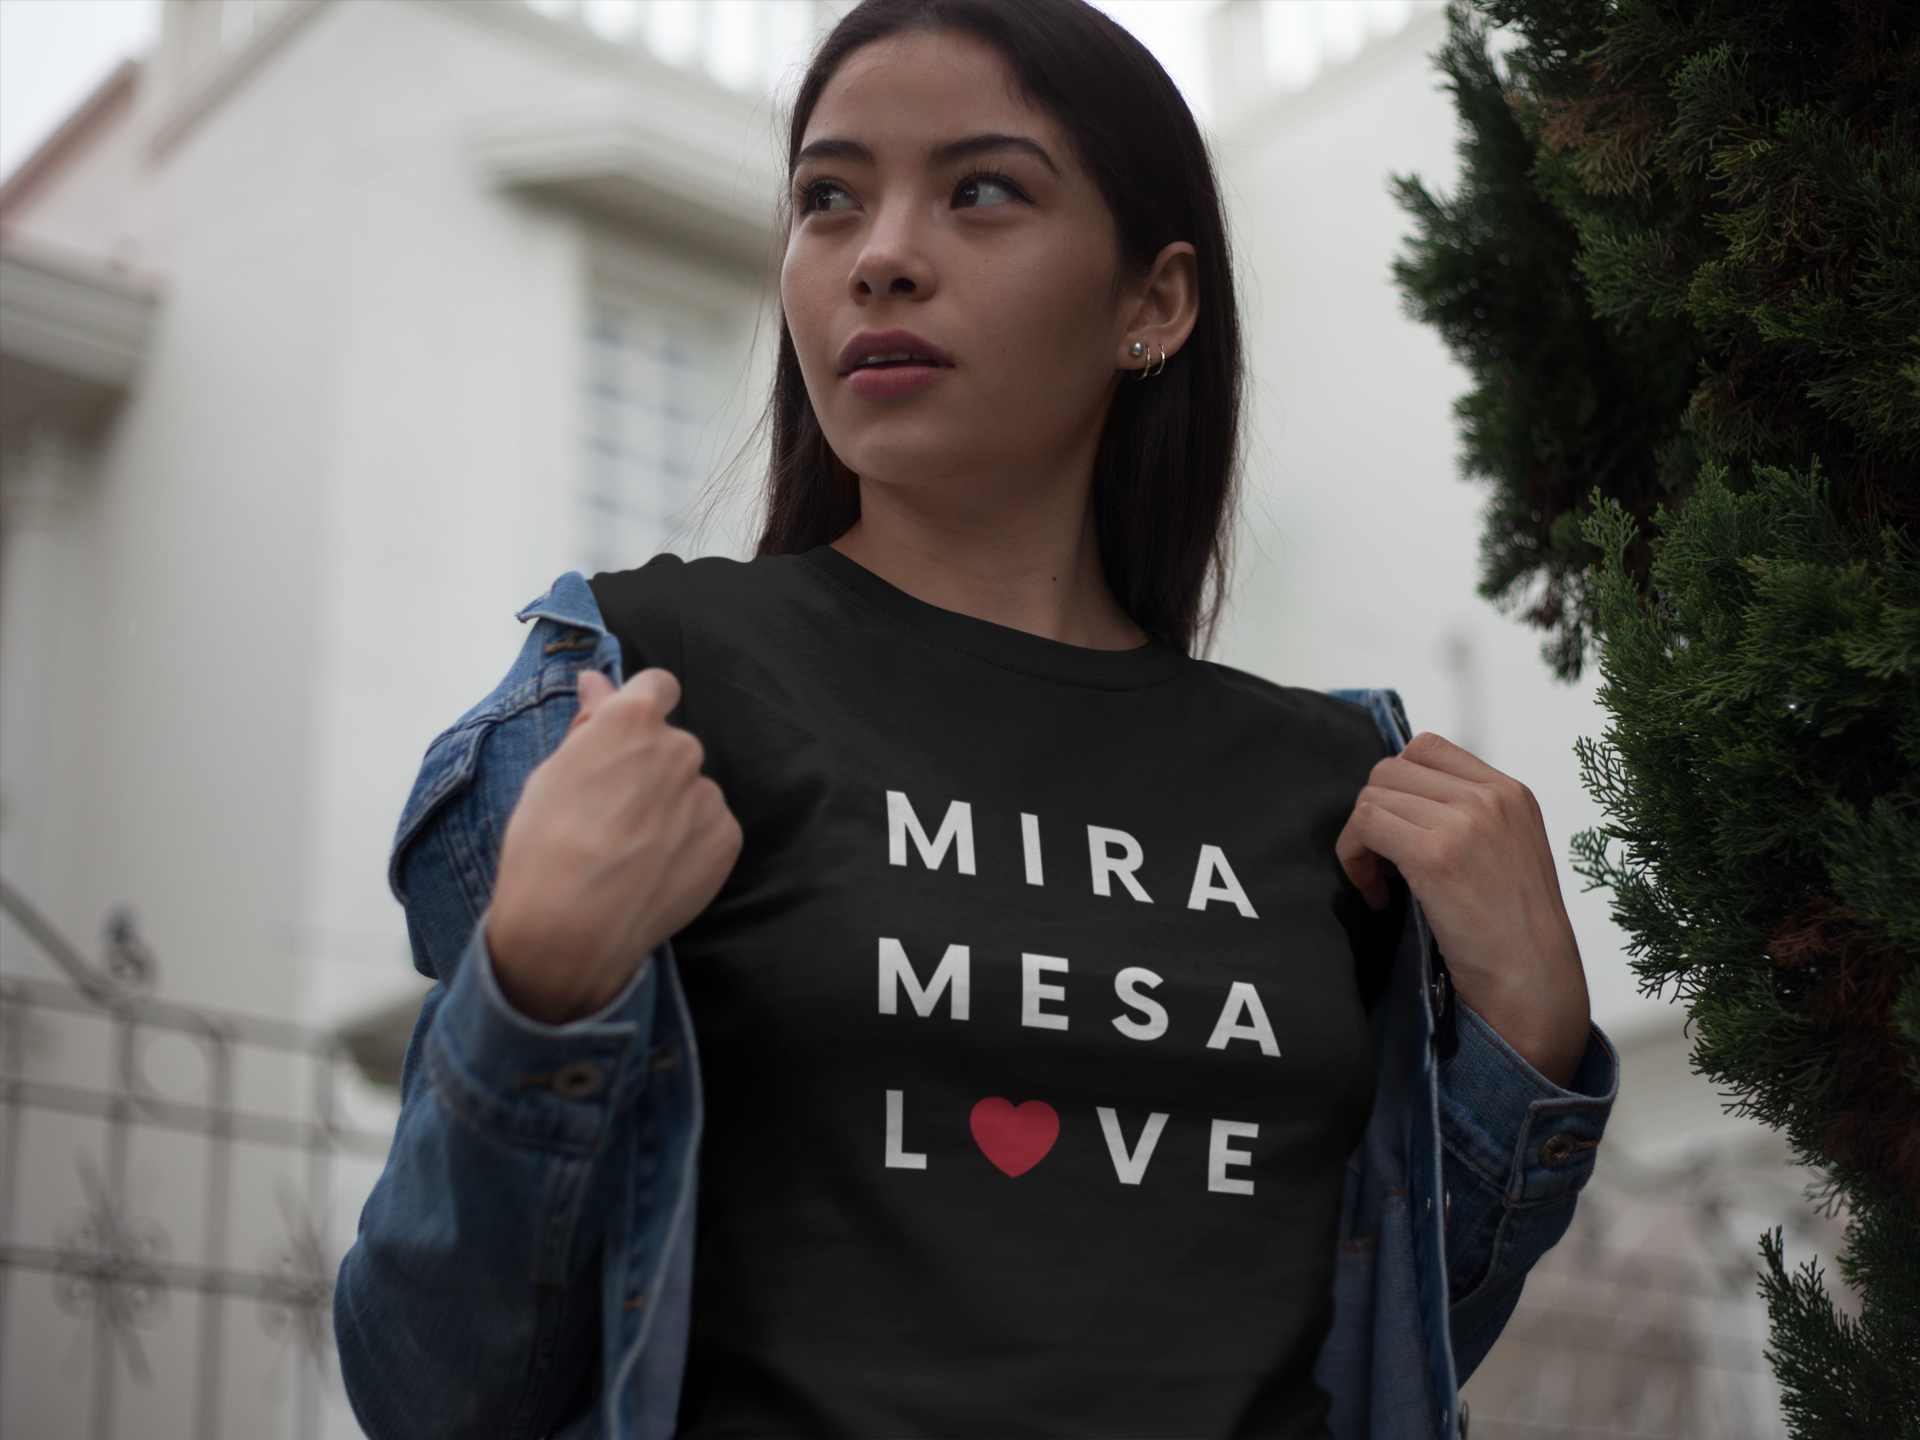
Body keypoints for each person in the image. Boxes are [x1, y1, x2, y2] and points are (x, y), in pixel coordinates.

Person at [334, 2, 1617, 1436]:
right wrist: (537, 988)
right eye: (828, 198)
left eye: (981, 189)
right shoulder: (642, 688)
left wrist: (1533, 1046)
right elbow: (433, 1394)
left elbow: (1383, 1351)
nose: (878, 253)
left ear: (1157, 303)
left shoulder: (1336, 796)